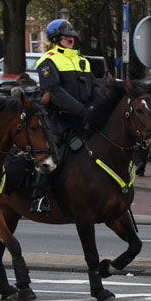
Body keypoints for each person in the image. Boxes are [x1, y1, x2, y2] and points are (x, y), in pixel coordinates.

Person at [31, 18, 96, 214]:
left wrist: (97, 109)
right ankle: (39, 197)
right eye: (66, 36)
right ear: (55, 39)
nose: (71, 39)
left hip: (84, 118)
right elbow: (54, 92)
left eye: (72, 36)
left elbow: (95, 89)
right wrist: (82, 110)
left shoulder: (82, 61)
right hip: (58, 119)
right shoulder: (48, 60)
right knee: (52, 153)